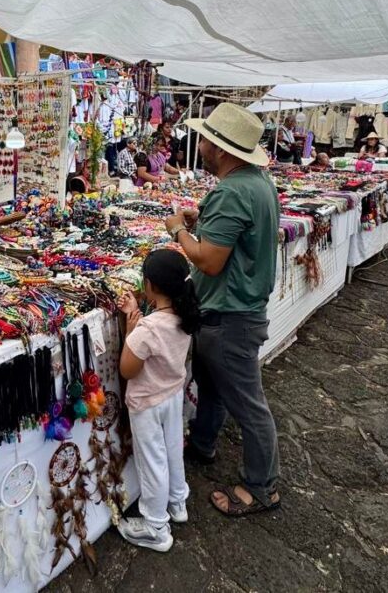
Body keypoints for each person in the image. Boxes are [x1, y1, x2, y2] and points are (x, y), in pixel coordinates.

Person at [164, 102, 281, 517]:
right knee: (212, 385)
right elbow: (238, 239)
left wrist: (178, 230)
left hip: (231, 315)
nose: (200, 147)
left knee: (248, 404)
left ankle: (261, 488)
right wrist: (204, 222)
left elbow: (209, 261)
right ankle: (203, 444)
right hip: (234, 308)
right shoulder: (258, 182)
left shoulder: (232, 192)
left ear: (220, 148)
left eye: (205, 141)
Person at [115, 249, 201, 552]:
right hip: (172, 395)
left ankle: (155, 527)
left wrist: (131, 330)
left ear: (149, 285)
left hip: (148, 403)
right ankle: (177, 502)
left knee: (152, 461)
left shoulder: (148, 329)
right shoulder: (185, 315)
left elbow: (127, 369)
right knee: (173, 450)